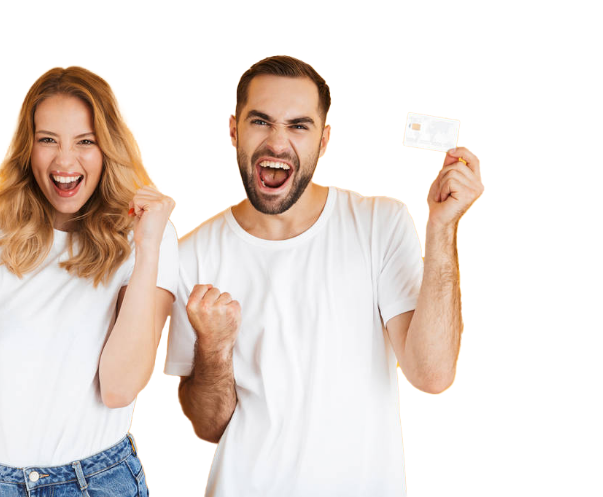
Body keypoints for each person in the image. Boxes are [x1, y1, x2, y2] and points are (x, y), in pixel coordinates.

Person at [163, 55, 484, 496]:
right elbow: (209, 427)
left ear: (324, 140)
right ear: (234, 130)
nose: (277, 143)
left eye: (298, 126)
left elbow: (433, 376)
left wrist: (443, 227)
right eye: (261, 122)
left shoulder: (380, 223)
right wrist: (214, 348)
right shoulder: (189, 256)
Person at [0, 64, 178, 496]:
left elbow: (119, 388)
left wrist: (148, 247)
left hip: (97, 482)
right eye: (48, 140)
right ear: (28, 148)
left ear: (108, 148)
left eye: (85, 141)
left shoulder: (147, 235)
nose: (64, 161)